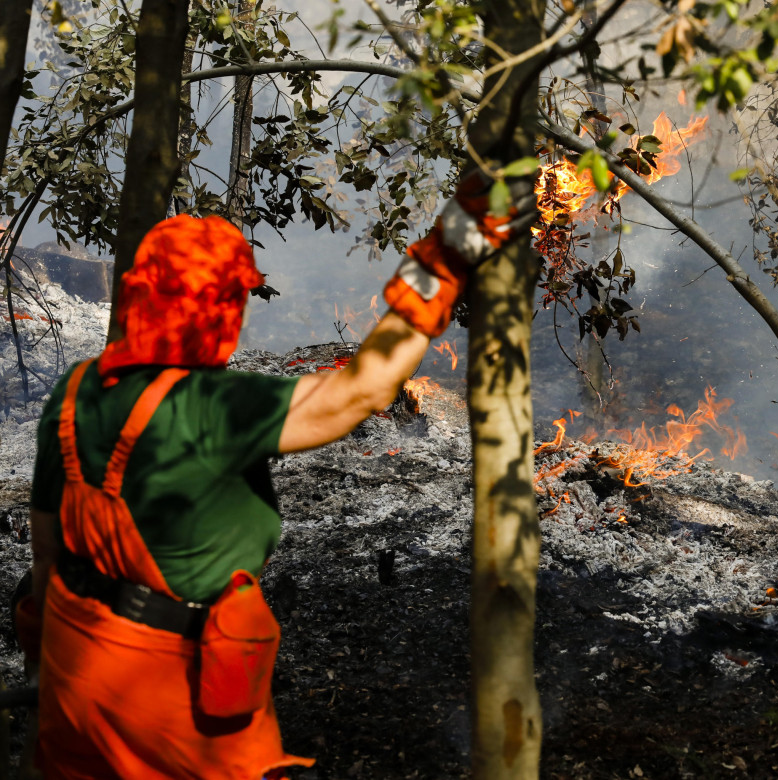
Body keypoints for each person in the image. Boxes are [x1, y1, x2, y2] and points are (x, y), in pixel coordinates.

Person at [16, 170, 533, 779]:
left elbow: (47, 554)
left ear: (136, 292)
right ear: (220, 308)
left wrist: (48, 663)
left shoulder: (75, 392)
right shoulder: (216, 407)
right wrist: (447, 252)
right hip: (174, 697)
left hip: (77, 667)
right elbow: (361, 389)